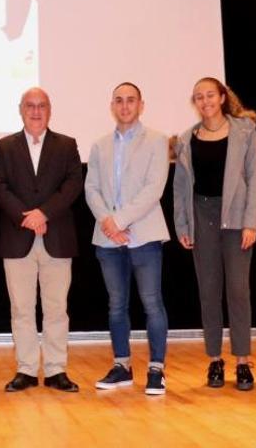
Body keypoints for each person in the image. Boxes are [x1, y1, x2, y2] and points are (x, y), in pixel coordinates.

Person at [173, 77, 256, 391]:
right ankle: (215, 359)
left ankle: (242, 360)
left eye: (210, 95)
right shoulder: (187, 138)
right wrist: (183, 225)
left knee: (238, 290)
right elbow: (181, 187)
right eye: (198, 97)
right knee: (209, 291)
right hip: (202, 216)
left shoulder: (244, 131)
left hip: (237, 217)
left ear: (222, 97)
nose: (205, 101)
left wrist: (252, 222)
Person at [0, 87, 83, 392]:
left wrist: (43, 213)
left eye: (41, 105)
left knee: (57, 308)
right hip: (17, 239)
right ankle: (27, 369)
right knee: (21, 309)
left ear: (50, 110)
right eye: (30, 106)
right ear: (20, 110)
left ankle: (57, 369)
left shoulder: (66, 145)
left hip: (56, 237)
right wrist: (25, 217)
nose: (35, 111)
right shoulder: (4, 147)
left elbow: (73, 185)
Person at [84, 82, 170, 395]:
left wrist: (118, 220)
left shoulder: (158, 141)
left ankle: (156, 369)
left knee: (151, 303)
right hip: (108, 239)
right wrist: (108, 223)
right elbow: (90, 188)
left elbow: (154, 188)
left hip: (144, 234)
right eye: (119, 101)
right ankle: (122, 366)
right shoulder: (99, 145)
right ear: (112, 105)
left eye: (130, 100)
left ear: (141, 105)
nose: (124, 106)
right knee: (116, 305)